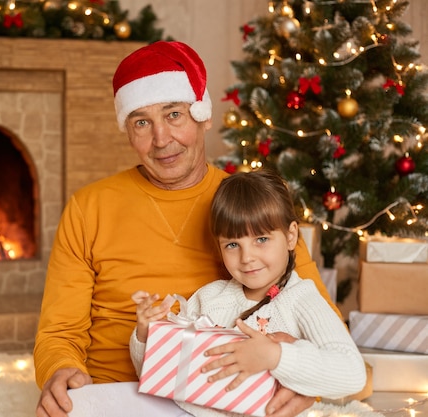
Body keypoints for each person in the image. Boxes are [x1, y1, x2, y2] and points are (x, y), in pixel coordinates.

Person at [34, 40, 343, 417]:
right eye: (142, 122)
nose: (161, 139)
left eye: (174, 114)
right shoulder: (89, 207)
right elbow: (59, 332)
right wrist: (60, 369)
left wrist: (304, 382)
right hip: (111, 393)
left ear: (203, 115)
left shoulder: (248, 205)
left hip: (222, 397)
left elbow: (328, 334)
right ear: (127, 132)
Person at [130, 169, 366, 417]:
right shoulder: (208, 298)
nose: (247, 258)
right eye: (232, 245)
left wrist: (275, 356)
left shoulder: (302, 300)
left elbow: (352, 374)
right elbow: (158, 376)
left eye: (261, 239)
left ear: (290, 235)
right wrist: (147, 335)